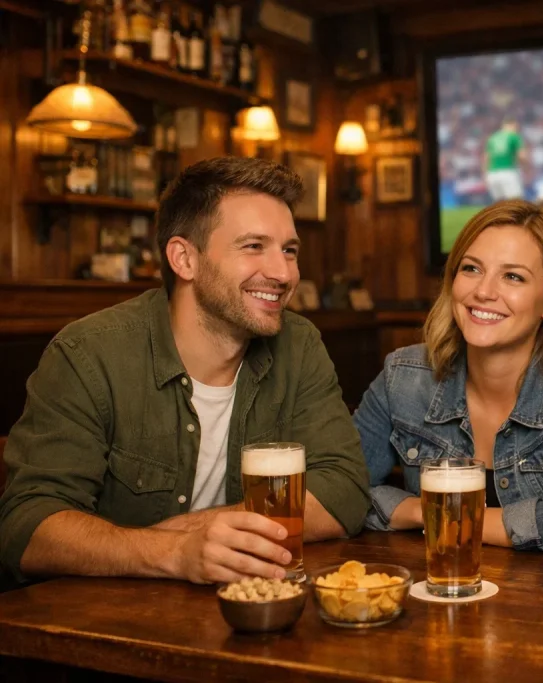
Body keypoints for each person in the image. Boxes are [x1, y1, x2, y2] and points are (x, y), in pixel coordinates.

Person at [0, 157, 371, 587]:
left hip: (243, 616)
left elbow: (343, 490)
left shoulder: (299, 344)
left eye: (289, 250)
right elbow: (26, 526)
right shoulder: (88, 354)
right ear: (184, 259)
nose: (283, 272)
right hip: (103, 627)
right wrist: (174, 552)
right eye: (254, 246)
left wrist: (200, 533)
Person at [355, 199, 543, 551]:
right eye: (471, 269)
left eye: (513, 276)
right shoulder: (404, 376)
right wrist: (426, 512)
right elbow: (343, 490)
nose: (483, 291)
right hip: (438, 587)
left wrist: (438, 513)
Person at [483, 118, 526, 201]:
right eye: (516, 126)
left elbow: (486, 158)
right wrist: (526, 166)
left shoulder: (492, 138)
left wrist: (485, 175)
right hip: (508, 172)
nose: (516, 129)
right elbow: (522, 156)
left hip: (492, 173)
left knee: (500, 204)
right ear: (511, 125)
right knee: (516, 202)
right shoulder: (514, 136)